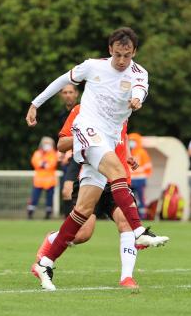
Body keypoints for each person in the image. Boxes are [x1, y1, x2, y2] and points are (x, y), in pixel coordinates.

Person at [26, 27, 169, 291]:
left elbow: (140, 90)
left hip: (109, 140)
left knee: (81, 212)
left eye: (127, 55)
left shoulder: (139, 73)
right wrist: (36, 103)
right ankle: (138, 231)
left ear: (134, 52)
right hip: (87, 130)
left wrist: (137, 100)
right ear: (110, 51)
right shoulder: (93, 67)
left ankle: (44, 262)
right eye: (117, 55)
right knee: (117, 169)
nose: (122, 60)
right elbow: (61, 80)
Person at [32, 106, 144, 288]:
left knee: (126, 223)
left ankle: (127, 278)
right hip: (91, 179)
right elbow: (61, 145)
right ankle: (52, 242)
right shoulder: (81, 111)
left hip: (116, 179)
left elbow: (123, 134)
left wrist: (128, 155)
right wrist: (87, 137)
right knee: (83, 234)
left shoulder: (120, 107)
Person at [57, 84, 81, 217]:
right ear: (61, 95)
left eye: (70, 92)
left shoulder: (83, 110)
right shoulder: (61, 115)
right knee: (67, 192)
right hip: (73, 157)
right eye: (65, 92)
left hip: (88, 157)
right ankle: (67, 233)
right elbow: (62, 137)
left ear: (76, 94)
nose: (68, 95)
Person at [27, 137, 58, 220]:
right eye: (45, 143)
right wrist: (44, 164)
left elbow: (52, 164)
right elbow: (35, 162)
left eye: (49, 143)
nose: (47, 145)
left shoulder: (53, 153)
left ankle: (48, 214)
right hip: (38, 181)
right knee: (34, 198)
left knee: (49, 199)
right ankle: (30, 213)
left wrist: (43, 164)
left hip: (50, 181)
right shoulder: (37, 153)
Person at [128, 132, 153, 218]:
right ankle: (131, 215)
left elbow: (148, 166)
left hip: (140, 179)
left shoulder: (142, 152)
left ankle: (143, 216)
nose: (131, 142)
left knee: (141, 199)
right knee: (129, 199)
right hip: (130, 179)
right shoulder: (128, 152)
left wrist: (145, 175)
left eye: (133, 141)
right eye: (130, 141)